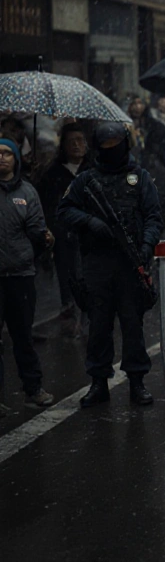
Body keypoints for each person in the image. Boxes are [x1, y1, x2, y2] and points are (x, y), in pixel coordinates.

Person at [57, 123, 163, 408]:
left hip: (130, 263)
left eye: (116, 143)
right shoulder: (86, 181)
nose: (111, 150)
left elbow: (153, 216)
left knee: (132, 324)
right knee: (99, 325)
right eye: (106, 145)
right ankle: (98, 382)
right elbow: (64, 210)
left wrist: (145, 245)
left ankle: (137, 382)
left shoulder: (139, 178)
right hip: (97, 263)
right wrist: (90, 222)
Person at [0, 138, 55, 409]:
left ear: (16, 159)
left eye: (7, 153)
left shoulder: (28, 192)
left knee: (23, 335)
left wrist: (43, 239)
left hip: (20, 275)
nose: (2, 158)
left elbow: (37, 228)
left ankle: (33, 388)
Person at [37, 123, 89, 330]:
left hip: (92, 235)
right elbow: (47, 206)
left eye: (80, 141)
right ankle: (70, 317)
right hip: (65, 236)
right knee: (68, 276)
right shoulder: (53, 175)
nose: (76, 146)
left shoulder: (95, 170)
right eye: (71, 142)